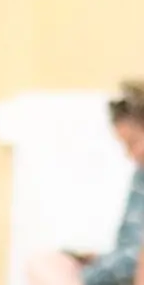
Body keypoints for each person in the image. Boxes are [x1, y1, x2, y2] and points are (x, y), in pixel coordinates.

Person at [25, 84, 144, 285]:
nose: (130, 154)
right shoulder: (139, 176)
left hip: (127, 271)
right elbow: (127, 244)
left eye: (133, 143)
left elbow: (134, 256)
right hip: (117, 269)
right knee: (43, 263)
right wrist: (96, 260)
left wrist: (101, 269)